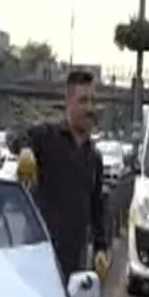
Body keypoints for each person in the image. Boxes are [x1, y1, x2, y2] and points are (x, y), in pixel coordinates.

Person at [16, 69, 108, 279]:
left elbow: (96, 208)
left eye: (93, 101)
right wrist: (26, 150)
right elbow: (17, 135)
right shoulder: (46, 137)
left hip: (75, 262)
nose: (90, 108)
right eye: (83, 101)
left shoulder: (94, 158)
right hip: (39, 254)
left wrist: (101, 248)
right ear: (68, 103)